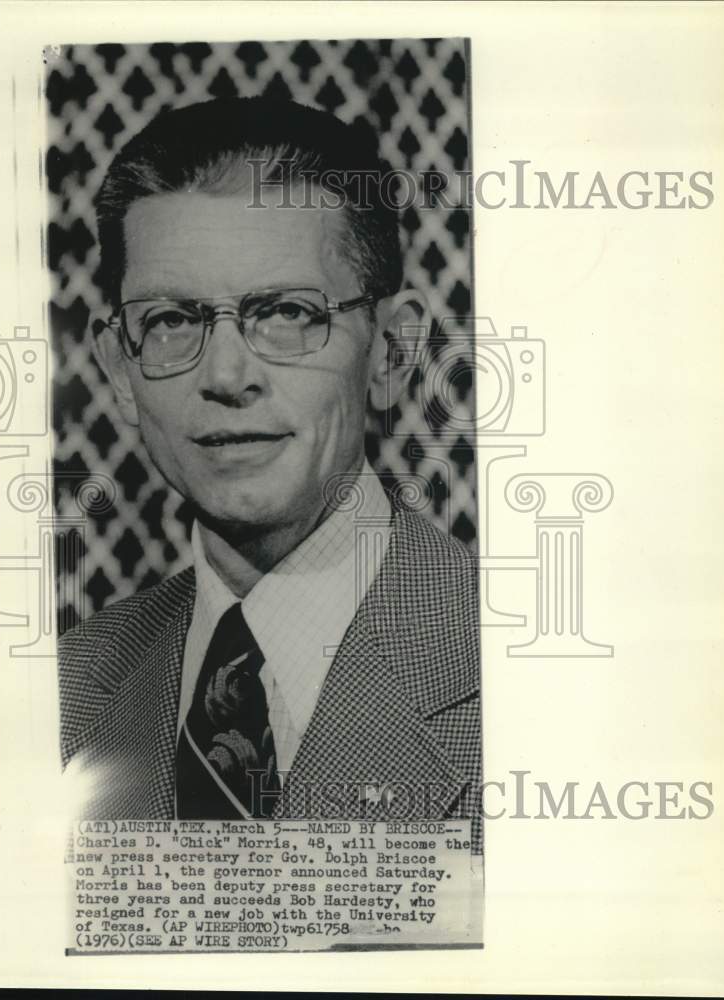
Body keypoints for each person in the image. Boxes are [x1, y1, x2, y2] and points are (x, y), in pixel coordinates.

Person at [58, 96, 482, 852]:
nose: (226, 375)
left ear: (391, 352)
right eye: (171, 320)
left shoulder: (522, 666)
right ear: (121, 370)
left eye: (287, 312)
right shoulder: (60, 690)